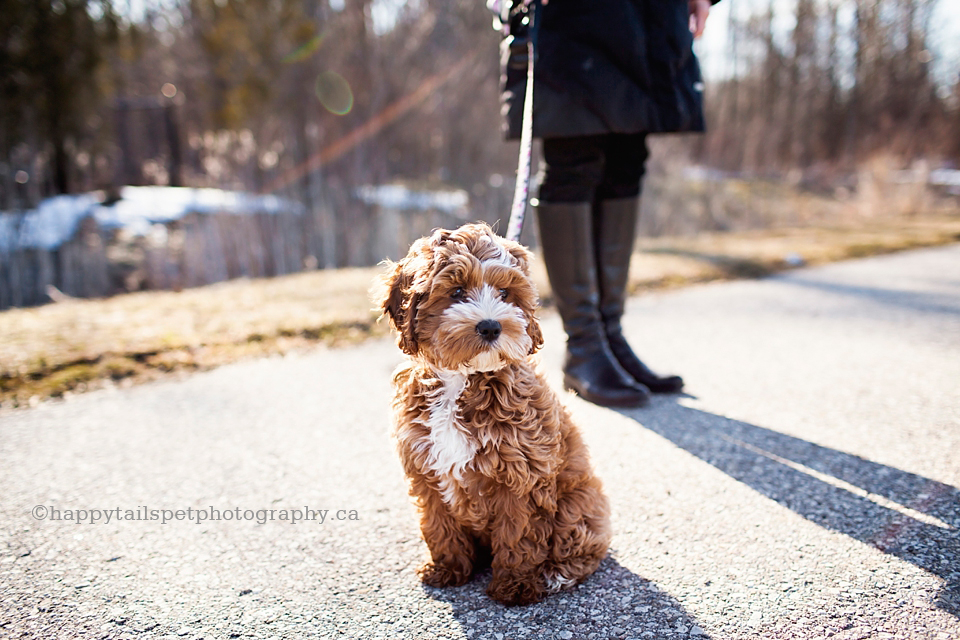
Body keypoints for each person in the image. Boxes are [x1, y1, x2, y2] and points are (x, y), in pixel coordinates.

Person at [499, 0, 717, 407]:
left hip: (646, 18)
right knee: (575, 157)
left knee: (627, 160)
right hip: (575, 22)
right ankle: (584, 345)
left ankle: (609, 338)